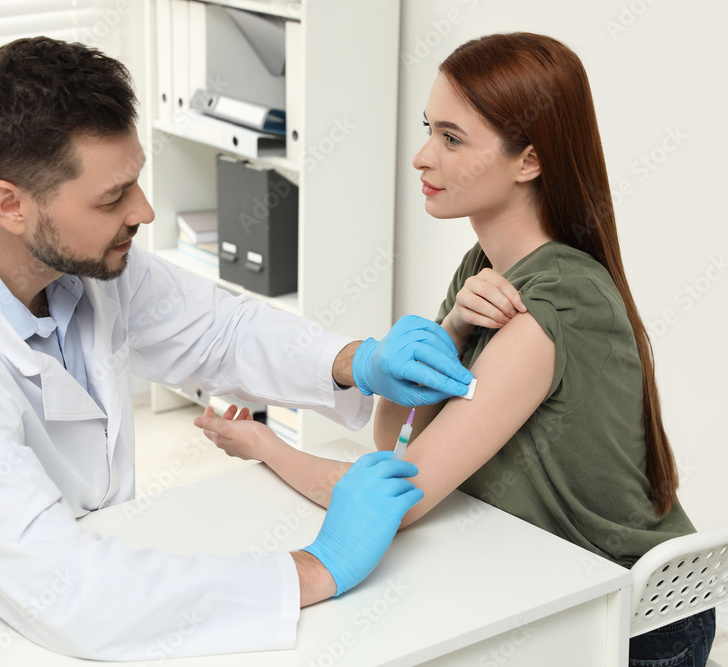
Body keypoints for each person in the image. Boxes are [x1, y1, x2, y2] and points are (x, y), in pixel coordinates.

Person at [0, 37, 475, 661]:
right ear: (10, 205)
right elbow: (72, 591)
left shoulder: (78, 259)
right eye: (113, 197)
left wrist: (356, 361)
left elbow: (216, 331)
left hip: (80, 575)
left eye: (135, 181)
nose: (143, 211)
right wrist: (313, 568)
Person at [196, 33, 714, 666]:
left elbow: (397, 495)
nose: (421, 156)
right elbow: (393, 441)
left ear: (528, 161)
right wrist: (451, 331)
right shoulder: (483, 269)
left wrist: (264, 445)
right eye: (427, 129)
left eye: (451, 138)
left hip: (634, 622)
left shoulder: (554, 306)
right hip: (541, 581)